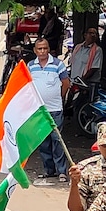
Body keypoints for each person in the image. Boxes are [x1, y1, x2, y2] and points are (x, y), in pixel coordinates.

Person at [27, 38, 70, 182]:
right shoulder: (31, 66)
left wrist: (59, 97)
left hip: (55, 109)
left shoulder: (58, 65)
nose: (42, 51)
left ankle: (62, 171)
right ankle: (49, 170)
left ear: (49, 49)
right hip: (39, 111)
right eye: (39, 49)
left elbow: (65, 83)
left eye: (45, 48)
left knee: (57, 141)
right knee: (43, 142)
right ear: (35, 50)